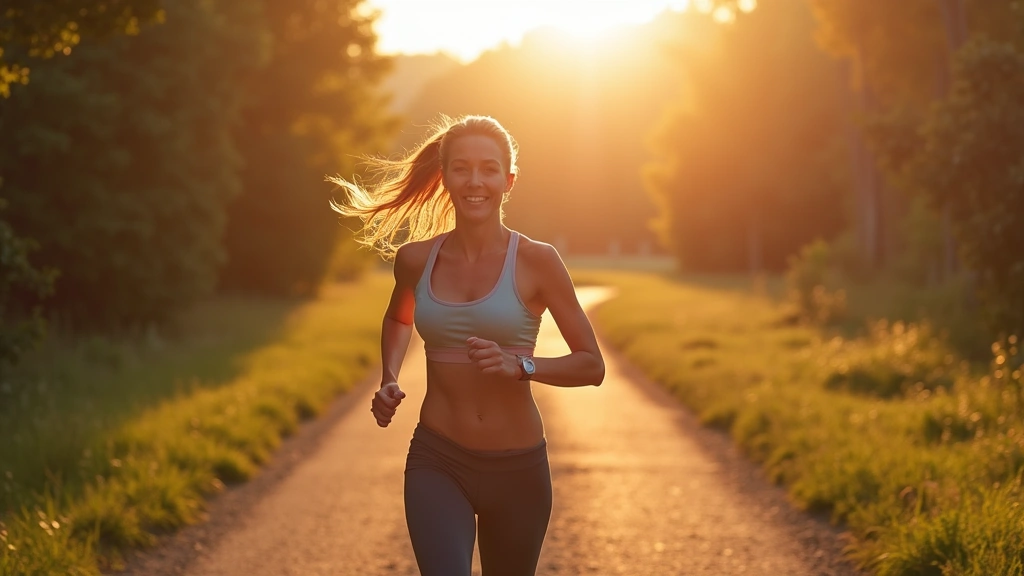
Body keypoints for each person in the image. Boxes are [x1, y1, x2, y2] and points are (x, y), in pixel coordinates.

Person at [329, 114, 605, 576]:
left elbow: (591, 365)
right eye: (461, 168)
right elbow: (399, 317)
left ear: (508, 180)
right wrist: (389, 378)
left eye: (489, 169)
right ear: (445, 177)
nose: (475, 181)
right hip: (438, 458)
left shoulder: (538, 261)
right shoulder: (416, 259)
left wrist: (522, 366)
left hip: (518, 469)